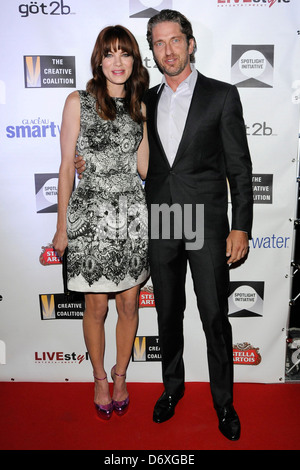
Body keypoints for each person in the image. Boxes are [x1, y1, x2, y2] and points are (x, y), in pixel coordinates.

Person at [76, 10, 253, 441]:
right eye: (158, 43)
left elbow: (240, 169)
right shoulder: (144, 101)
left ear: (190, 44)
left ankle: (223, 402)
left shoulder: (222, 95)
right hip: (160, 218)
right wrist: (86, 164)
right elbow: (122, 151)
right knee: (169, 314)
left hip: (205, 221)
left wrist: (241, 226)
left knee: (214, 315)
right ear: (151, 51)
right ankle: (171, 390)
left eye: (175, 40)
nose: (167, 49)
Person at [52, 25, 150, 420]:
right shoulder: (78, 100)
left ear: (133, 60)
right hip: (90, 217)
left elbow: (144, 169)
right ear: (99, 60)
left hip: (130, 218)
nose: (117, 62)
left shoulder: (141, 105)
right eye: (109, 54)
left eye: (124, 53)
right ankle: (98, 377)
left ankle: (121, 374)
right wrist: (62, 227)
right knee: (95, 306)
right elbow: (64, 168)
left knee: (129, 303)